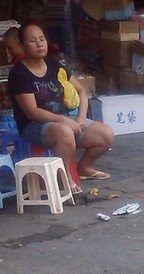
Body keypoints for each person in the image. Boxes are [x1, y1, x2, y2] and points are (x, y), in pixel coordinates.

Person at [8, 22, 114, 195]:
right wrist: (66, 121)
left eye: (41, 39)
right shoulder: (19, 74)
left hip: (65, 121)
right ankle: (65, 178)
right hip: (34, 126)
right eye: (33, 40)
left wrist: (80, 119)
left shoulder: (54, 64)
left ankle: (83, 167)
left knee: (106, 134)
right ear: (22, 46)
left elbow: (81, 90)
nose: (39, 43)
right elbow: (32, 112)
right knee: (64, 131)